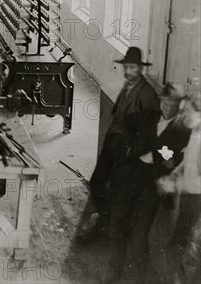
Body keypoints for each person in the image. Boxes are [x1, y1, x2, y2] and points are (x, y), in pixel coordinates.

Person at [107, 83, 191, 283]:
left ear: (179, 106)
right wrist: (130, 145)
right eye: (164, 102)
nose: (167, 108)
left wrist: (166, 156)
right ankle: (114, 273)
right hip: (131, 173)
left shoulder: (183, 129)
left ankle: (137, 279)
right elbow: (123, 124)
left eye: (172, 104)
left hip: (153, 181)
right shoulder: (148, 116)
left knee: (139, 233)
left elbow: (177, 158)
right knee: (117, 223)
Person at [79, 47, 160, 242]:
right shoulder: (127, 86)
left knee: (116, 190)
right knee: (97, 181)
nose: (128, 71)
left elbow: (149, 131)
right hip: (112, 143)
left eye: (132, 68)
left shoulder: (147, 95)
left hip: (126, 151)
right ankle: (107, 222)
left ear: (140, 69)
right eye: (126, 67)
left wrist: (134, 152)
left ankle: (104, 229)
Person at [157, 93, 201, 284]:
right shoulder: (195, 131)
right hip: (188, 196)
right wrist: (175, 172)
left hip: (196, 199)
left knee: (188, 249)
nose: (182, 115)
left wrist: (173, 184)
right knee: (178, 244)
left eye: (187, 112)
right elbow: (188, 162)